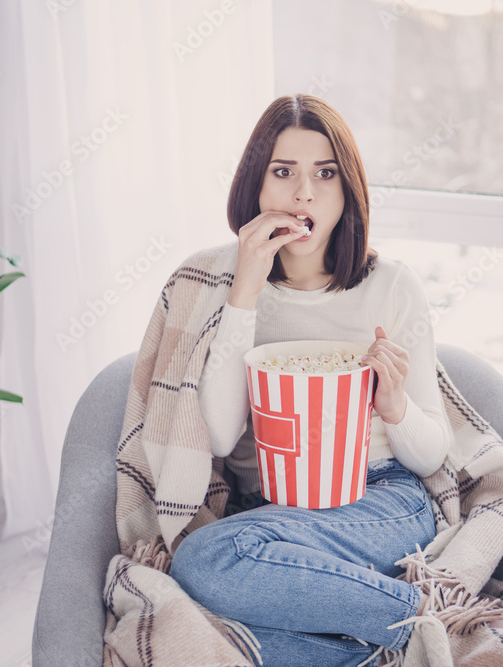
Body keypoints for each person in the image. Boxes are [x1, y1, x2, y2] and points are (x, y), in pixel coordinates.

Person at [169, 94, 453, 666]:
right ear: (255, 186)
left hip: (381, 500)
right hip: (273, 513)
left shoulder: (392, 287)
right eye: (283, 172)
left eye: (325, 174)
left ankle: (417, 622)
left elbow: (432, 457)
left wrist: (394, 404)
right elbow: (221, 440)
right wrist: (244, 292)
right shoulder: (218, 283)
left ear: (347, 190)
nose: (304, 194)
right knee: (211, 607)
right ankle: (375, 642)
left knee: (202, 564)